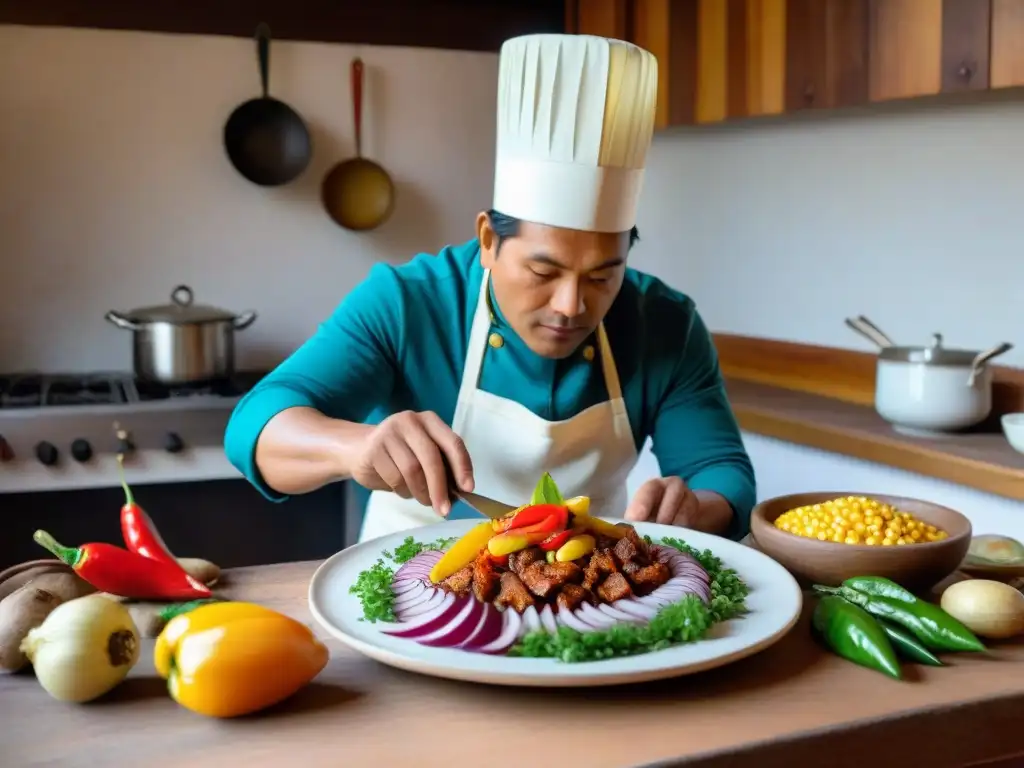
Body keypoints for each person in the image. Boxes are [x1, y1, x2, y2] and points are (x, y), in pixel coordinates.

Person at [224, 33, 756, 543]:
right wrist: (355, 446)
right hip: (408, 592)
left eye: (602, 276)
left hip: (582, 591)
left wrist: (695, 509)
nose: (571, 306)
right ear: (488, 241)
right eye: (543, 273)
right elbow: (254, 425)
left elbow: (721, 471)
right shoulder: (408, 303)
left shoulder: (664, 322)